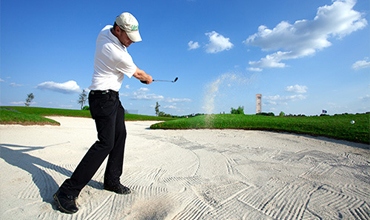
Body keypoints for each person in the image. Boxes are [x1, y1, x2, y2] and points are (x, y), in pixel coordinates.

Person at [53, 12, 153, 214]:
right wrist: (148, 78)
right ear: (118, 30)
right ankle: (67, 192)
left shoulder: (104, 31)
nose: (131, 42)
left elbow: (130, 61)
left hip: (112, 98)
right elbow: (139, 74)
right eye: (129, 38)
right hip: (102, 99)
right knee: (105, 143)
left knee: (120, 135)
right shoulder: (116, 52)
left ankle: (112, 180)